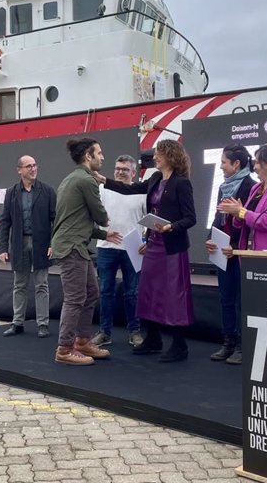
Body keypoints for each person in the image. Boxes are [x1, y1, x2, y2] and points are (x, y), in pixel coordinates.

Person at [97, 139, 196, 363]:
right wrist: (104, 180)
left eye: (159, 153)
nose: (155, 157)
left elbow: (191, 218)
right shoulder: (155, 178)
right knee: (149, 292)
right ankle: (153, 339)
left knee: (173, 295)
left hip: (173, 247)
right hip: (154, 245)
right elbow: (131, 189)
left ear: (170, 155)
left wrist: (172, 226)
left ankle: (180, 345)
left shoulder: (182, 183)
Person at [52, 138, 122, 365]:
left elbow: (76, 220)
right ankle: (64, 349)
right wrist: (106, 221)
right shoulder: (87, 180)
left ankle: (82, 341)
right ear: (87, 157)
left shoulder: (72, 178)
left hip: (75, 246)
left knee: (91, 293)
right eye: (99, 153)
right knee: (75, 299)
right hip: (72, 247)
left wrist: (104, 235)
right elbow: (100, 216)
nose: (103, 157)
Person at [205, 144, 256, 365]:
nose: (221, 166)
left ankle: (243, 347)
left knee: (242, 300)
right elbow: (218, 216)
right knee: (225, 298)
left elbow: (249, 223)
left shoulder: (252, 187)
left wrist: (234, 245)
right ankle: (228, 342)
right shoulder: (224, 187)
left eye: (224, 162)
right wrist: (210, 237)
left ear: (236, 164)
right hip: (220, 249)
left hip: (238, 250)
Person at [0, 155, 57, 338]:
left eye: (34, 165)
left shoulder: (47, 191)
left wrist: (53, 243)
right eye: (29, 166)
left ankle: (43, 324)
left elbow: (56, 219)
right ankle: (17, 323)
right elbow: (5, 221)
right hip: (19, 243)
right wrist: (2, 248)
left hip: (41, 243)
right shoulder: (11, 192)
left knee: (42, 285)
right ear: (20, 170)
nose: (33, 169)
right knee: (19, 285)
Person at [91, 154, 146, 348]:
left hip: (133, 248)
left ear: (133, 172)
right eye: (117, 168)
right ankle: (104, 332)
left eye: (124, 169)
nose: (120, 172)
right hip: (106, 247)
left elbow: (148, 219)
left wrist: (146, 240)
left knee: (133, 293)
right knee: (106, 291)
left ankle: (135, 331)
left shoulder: (142, 193)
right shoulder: (102, 189)